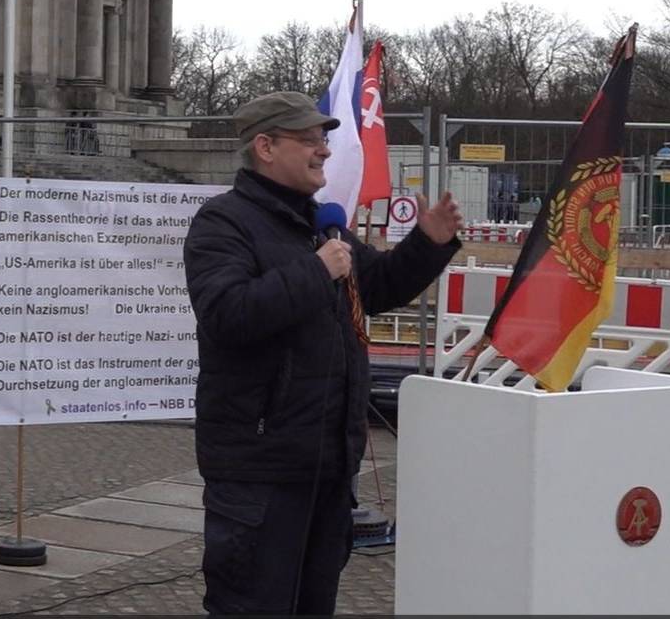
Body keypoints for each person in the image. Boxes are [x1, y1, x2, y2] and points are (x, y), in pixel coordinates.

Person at [184, 91, 464, 615]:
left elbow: (376, 287)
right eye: (309, 140)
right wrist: (316, 271)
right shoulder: (222, 223)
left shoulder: (321, 224)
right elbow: (227, 314)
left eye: (324, 140)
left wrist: (426, 244)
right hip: (260, 473)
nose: (325, 152)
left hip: (330, 468)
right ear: (265, 147)